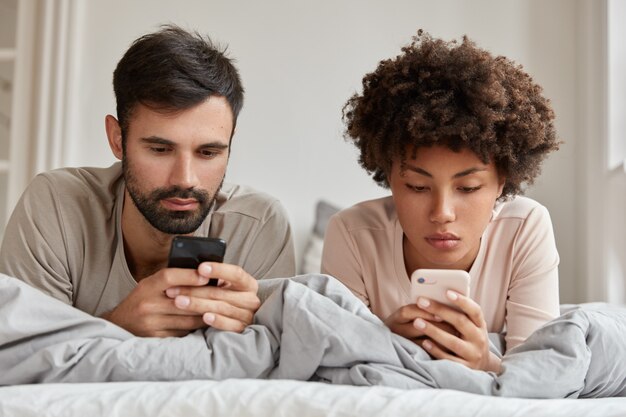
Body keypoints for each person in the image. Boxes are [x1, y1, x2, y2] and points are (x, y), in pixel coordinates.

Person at [0, 25, 296, 337]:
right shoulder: (57, 206)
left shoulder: (259, 225)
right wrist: (119, 327)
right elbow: (21, 364)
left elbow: (271, 372)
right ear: (117, 139)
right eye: (160, 149)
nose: (185, 179)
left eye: (207, 152)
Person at [321, 30, 562, 373]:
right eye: (418, 187)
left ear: (501, 183)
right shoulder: (352, 234)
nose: (442, 214)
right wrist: (383, 342)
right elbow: (335, 364)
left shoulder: (525, 228)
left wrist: (485, 362)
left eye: (468, 187)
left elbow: (541, 376)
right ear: (389, 175)